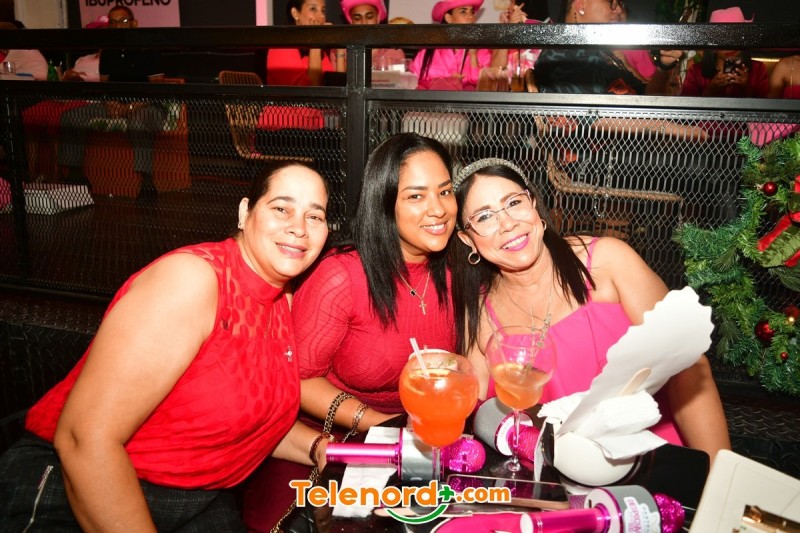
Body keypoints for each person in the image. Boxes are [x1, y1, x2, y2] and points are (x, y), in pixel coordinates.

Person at [0, 160, 333, 530]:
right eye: (282, 208)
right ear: (245, 212)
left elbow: (253, 418)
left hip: (196, 498)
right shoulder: (191, 281)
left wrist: (324, 448)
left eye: (315, 216)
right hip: (76, 489)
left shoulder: (283, 298)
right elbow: (85, 439)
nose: (299, 228)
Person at [448, 157, 732, 462]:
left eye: (514, 202)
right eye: (484, 217)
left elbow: (687, 368)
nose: (507, 224)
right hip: (553, 476)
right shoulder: (479, 313)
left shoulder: (607, 262)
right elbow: (475, 411)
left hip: (650, 464)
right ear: (468, 239)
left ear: (534, 205)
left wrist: (719, 474)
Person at [242, 132, 458, 532]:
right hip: (327, 445)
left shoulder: (456, 269)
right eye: (415, 195)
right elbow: (299, 379)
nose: (438, 208)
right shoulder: (342, 276)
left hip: (422, 445)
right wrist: (382, 425)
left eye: (445, 191)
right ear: (384, 203)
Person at [56, 6, 169, 201]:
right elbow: (105, 87)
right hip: (115, 104)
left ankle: (146, 181)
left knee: (137, 123)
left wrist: (132, 106)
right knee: (71, 116)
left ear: (134, 23)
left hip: (147, 106)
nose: (118, 26)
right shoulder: (108, 52)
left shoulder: (147, 49)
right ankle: (76, 177)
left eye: (123, 21)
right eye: (113, 22)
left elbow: (156, 90)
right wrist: (110, 104)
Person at [535, 0, 681, 95]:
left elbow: (648, 99)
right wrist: (675, 130)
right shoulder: (564, 52)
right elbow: (594, 118)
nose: (618, 10)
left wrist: (664, 67)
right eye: (611, 3)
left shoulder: (606, 55)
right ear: (581, 5)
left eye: (619, 4)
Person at [410, 0, 519, 91]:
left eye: (472, 12)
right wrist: (446, 80)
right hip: (428, 108)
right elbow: (413, 83)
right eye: (463, 12)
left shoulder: (481, 50)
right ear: (448, 18)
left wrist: (473, 57)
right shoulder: (427, 52)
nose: (471, 17)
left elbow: (491, 79)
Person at [680, 8, 768, 98]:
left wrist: (745, 89)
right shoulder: (696, 72)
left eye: (735, 38)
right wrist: (710, 90)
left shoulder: (758, 69)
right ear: (712, 44)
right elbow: (687, 104)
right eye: (723, 39)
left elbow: (766, 104)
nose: (730, 46)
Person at [267, 0, 338, 86]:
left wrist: (340, 46)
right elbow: (312, 90)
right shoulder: (282, 48)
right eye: (313, 9)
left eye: (323, 10)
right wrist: (316, 41)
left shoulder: (320, 51)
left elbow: (338, 85)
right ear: (295, 13)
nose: (322, 16)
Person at [339, 0, 405, 70]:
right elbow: (337, 76)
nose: (364, 23)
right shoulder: (341, 52)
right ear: (351, 21)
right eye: (357, 19)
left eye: (369, 17)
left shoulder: (394, 53)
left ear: (378, 18)